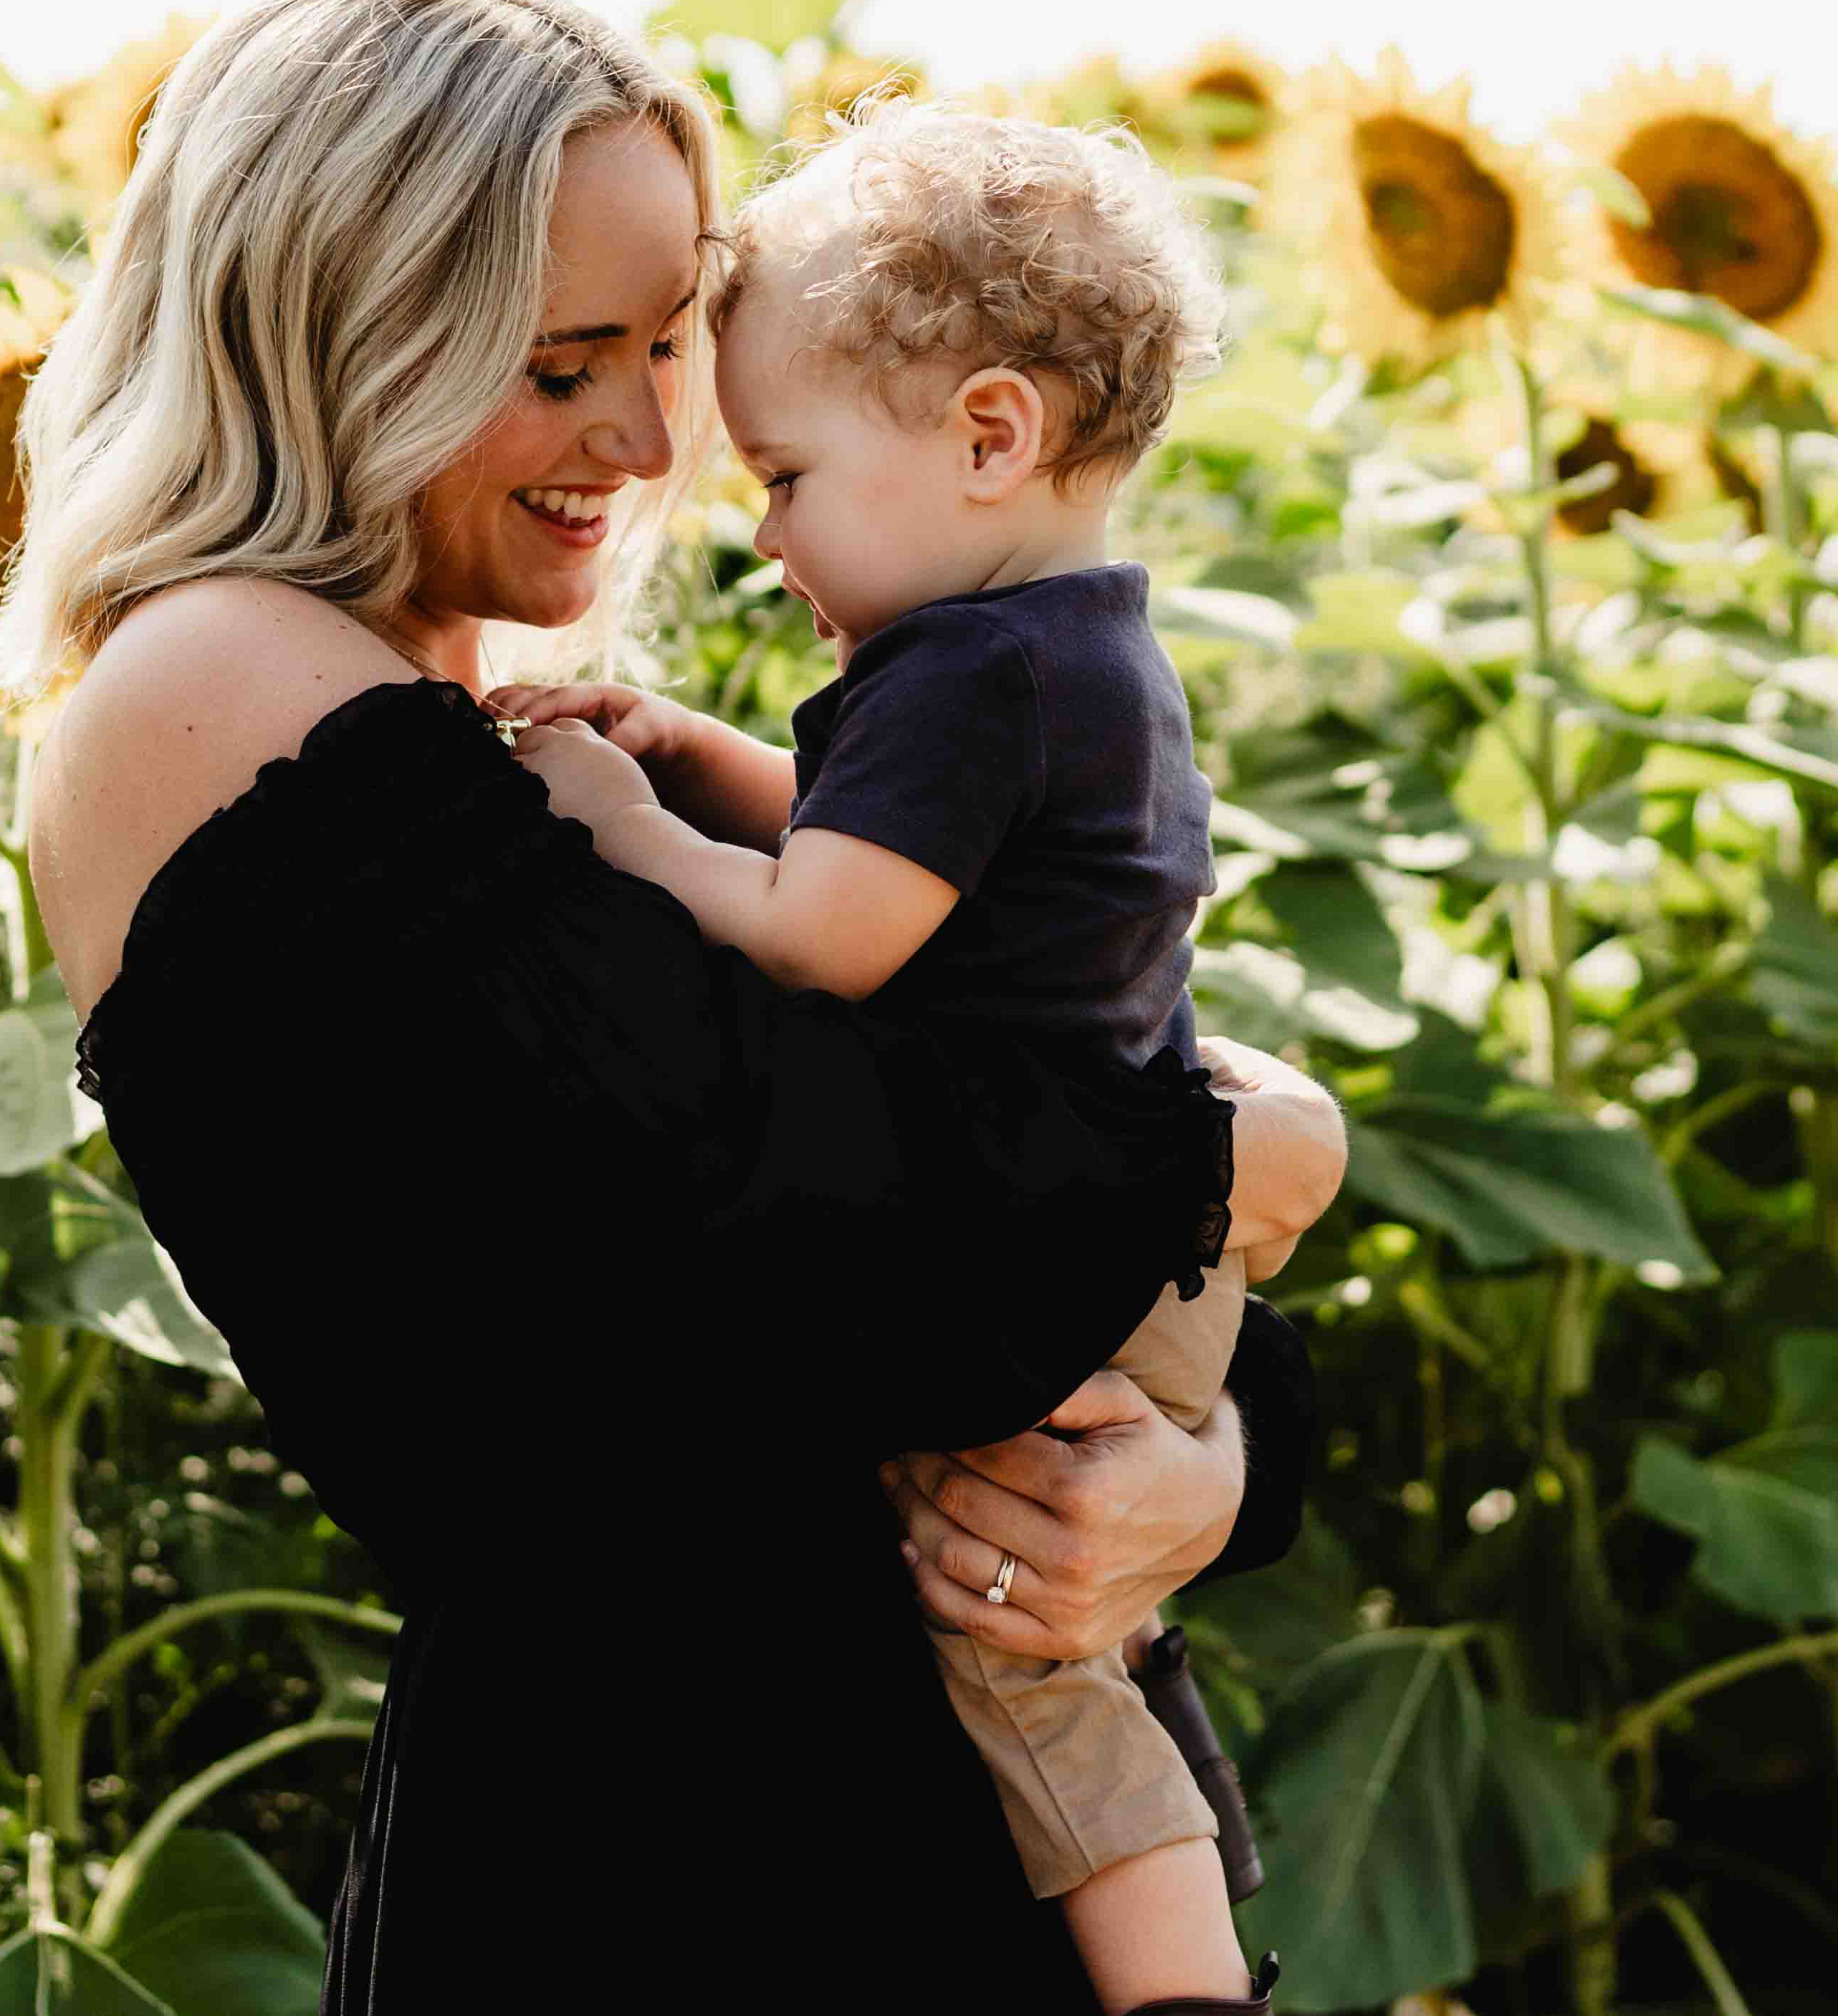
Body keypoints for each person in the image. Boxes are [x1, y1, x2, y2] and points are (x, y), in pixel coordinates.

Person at [0, 0, 1338, 2012]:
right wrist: (1242, 1144)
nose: (643, 441)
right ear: (346, 338)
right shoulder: (220, 685)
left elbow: (961, 1175)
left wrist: (1215, 1476)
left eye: (666, 350)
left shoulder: (521, 738)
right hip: (678, 1877)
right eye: (559, 364)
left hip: (892, 1828)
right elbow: (820, 1253)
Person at [489, 99, 1331, 2013]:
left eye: (782, 475)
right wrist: (707, 759)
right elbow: (905, 852)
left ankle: (1181, 1995)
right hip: (1132, 1215)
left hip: (1058, 1242)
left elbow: (833, 926)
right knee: (1062, 1625)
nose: (762, 529)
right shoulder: (1069, 645)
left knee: (1025, 1655)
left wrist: (623, 825)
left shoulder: (965, 673)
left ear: (987, 435)